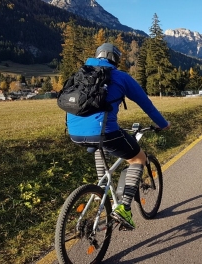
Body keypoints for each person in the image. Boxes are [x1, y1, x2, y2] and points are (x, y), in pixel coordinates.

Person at [66, 43, 170, 229]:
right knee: (138, 158)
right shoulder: (119, 77)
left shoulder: (80, 74)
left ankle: (101, 195)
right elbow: (146, 104)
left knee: (101, 147)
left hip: (74, 133)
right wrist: (163, 124)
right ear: (115, 59)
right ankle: (124, 207)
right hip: (104, 132)